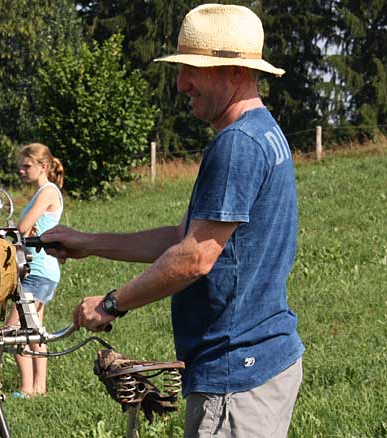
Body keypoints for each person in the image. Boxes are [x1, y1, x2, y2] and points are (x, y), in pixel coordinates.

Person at [41, 4, 304, 437]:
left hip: (236, 374)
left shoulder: (237, 144)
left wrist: (110, 304)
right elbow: (184, 239)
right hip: (256, 362)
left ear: (235, 72)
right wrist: (87, 242)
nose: (182, 83)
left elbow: (195, 258)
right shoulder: (261, 132)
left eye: (193, 70)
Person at [5, 142, 64, 398]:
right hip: (40, 270)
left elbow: (22, 228)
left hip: (38, 272)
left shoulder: (48, 192)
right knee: (34, 329)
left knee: (13, 331)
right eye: (20, 166)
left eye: (26, 165)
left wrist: (18, 230)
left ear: (43, 166)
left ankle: (27, 388)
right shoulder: (42, 192)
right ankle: (39, 388)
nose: (21, 170)